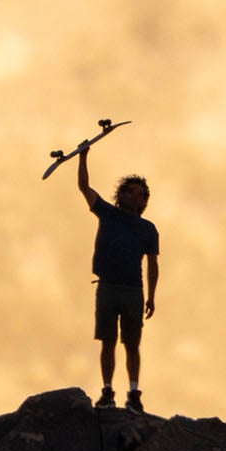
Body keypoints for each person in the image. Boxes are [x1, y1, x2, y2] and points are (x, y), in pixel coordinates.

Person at [75, 144, 159, 413]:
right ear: (121, 195)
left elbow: (153, 264)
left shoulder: (148, 229)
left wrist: (152, 296)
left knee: (132, 344)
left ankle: (134, 393)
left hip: (133, 289)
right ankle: (108, 391)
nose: (137, 198)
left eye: (142, 194)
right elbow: (85, 188)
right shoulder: (108, 213)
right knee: (108, 341)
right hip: (108, 287)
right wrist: (83, 157)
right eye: (132, 192)